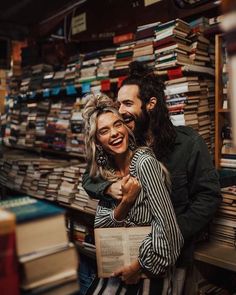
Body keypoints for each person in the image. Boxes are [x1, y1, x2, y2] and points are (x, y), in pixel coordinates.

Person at [82, 61, 222, 293]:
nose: (121, 111)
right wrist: (109, 188)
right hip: (125, 252)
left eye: (127, 103)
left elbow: (209, 197)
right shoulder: (124, 139)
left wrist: (167, 233)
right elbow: (89, 177)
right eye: (119, 105)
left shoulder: (188, 143)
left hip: (171, 257)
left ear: (150, 104)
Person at [82, 93, 183, 294]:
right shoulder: (105, 174)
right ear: (98, 142)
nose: (114, 133)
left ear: (126, 128)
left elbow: (170, 232)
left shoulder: (145, 164)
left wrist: (138, 267)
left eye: (118, 124)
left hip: (146, 275)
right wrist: (126, 202)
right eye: (104, 130)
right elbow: (101, 226)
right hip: (114, 274)